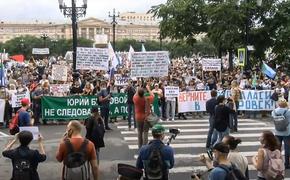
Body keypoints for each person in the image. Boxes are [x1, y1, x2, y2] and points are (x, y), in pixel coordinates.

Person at [271, 100, 290, 169]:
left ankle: (277, 163)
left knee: (277, 148)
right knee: (287, 148)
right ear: (285, 104)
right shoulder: (288, 111)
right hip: (287, 132)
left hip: (277, 131)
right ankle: (287, 164)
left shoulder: (274, 111)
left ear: (278, 104)